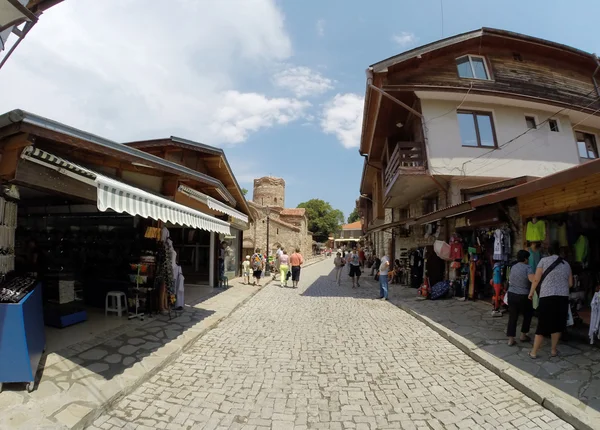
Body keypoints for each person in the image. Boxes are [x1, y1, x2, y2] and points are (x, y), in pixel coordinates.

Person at [528, 246, 573, 359]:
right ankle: (553, 350)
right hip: (562, 297)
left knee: (542, 324)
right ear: (561, 252)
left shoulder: (543, 261)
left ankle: (534, 352)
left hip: (547, 296)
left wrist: (531, 292)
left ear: (548, 252)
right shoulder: (566, 264)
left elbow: (536, 279)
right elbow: (570, 284)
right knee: (557, 325)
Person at [506, 250, 535, 346]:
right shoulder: (528, 268)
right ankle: (523, 335)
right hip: (523, 295)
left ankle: (510, 339)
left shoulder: (513, 267)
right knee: (528, 314)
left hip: (511, 294)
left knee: (513, 317)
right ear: (526, 259)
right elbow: (532, 280)